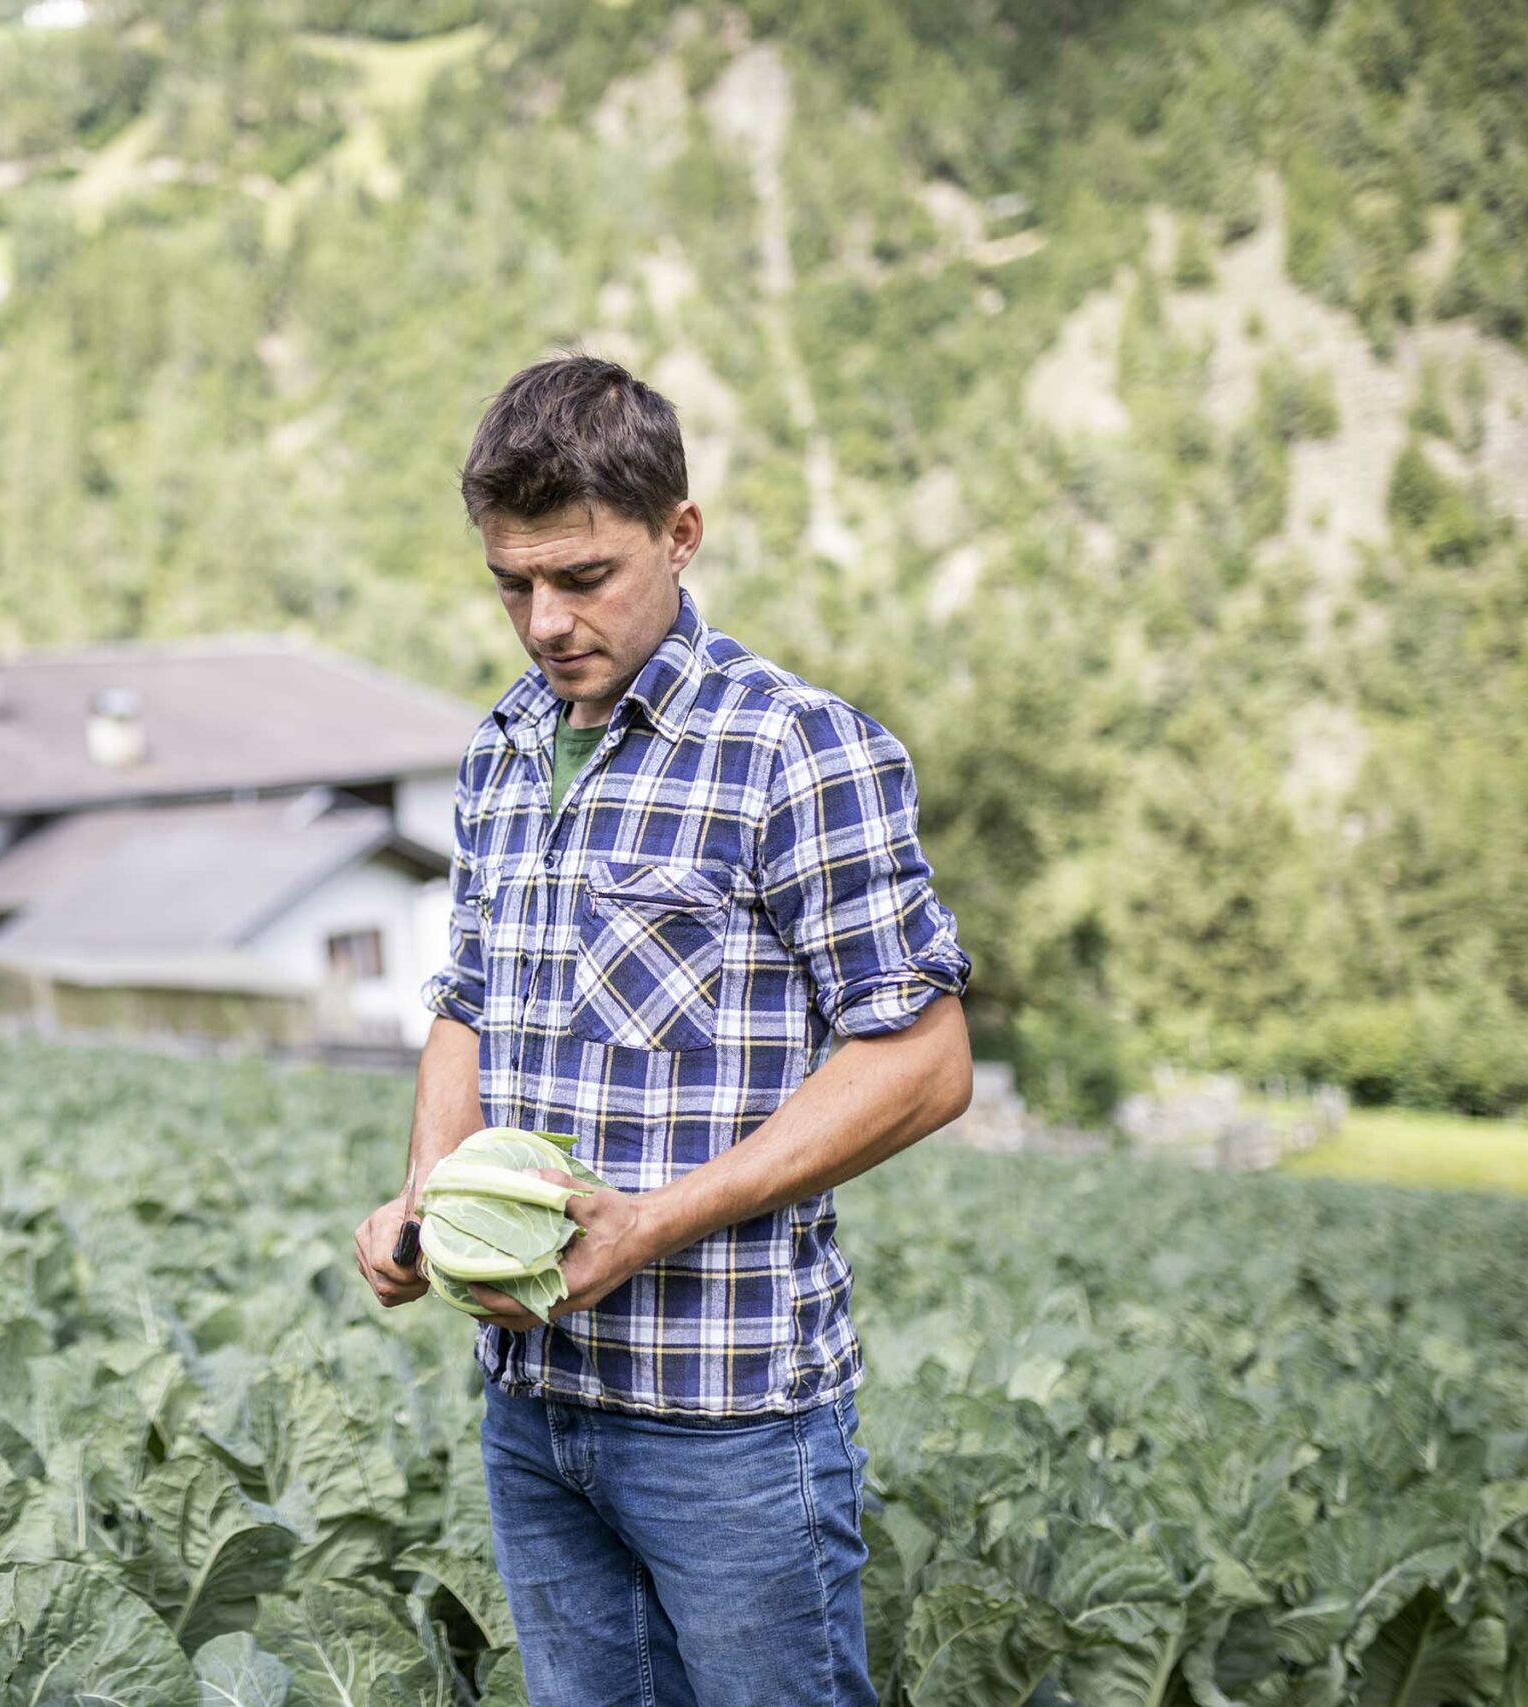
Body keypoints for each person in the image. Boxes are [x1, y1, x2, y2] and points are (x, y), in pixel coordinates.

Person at [352, 353, 974, 1707]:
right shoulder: (502, 750)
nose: (543, 622)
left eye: (584, 577)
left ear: (681, 536)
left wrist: (647, 1226)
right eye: (513, 582)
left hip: (727, 1415)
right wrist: (425, 1192)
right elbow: (470, 1001)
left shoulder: (796, 751)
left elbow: (924, 1062)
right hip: (531, 1402)